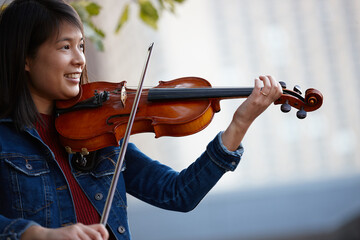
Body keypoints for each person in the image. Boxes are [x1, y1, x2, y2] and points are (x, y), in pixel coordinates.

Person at [0, 0, 282, 239]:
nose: (80, 60)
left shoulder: (96, 131)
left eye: (82, 46)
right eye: (65, 47)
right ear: (26, 58)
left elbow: (177, 193)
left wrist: (240, 124)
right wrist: (36, 234)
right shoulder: (5, 139)